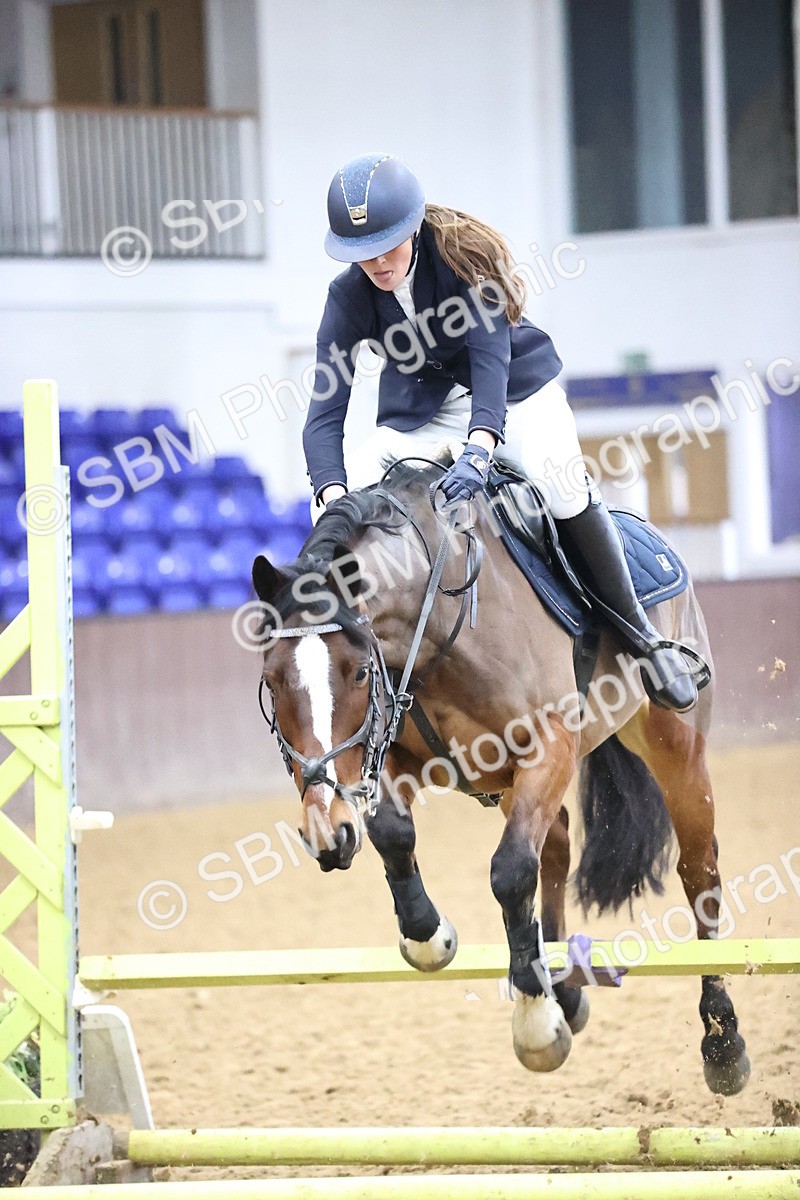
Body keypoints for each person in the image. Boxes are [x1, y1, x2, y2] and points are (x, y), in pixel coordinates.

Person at [302, 152, 698, 713]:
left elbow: (491, 363)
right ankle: (353, 667)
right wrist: (333, 496)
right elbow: (323, 414)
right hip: (425, 414)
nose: (377, 262)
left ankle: (642, 637)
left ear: (413, 227)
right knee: (338, 507)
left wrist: (480, 448)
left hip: (514, 395)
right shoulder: (346, 299)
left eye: (387, 244)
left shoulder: (463, 259)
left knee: (561, 486)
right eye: (362, 253)